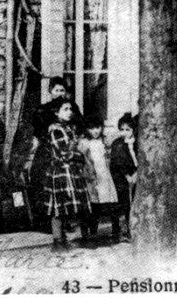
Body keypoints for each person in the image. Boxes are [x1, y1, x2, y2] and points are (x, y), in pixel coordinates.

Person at [29, 77, 83, 228]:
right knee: (41, 179)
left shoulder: (70, 107)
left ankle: (64, 221)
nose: (59, 93)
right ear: (50, 91)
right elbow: (37, 129)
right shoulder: (43, 109)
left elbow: (79, 124)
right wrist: (48, 128)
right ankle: (44, 221)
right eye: (56, 90)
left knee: (65, 186)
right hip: (47, 149)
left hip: (66, 147)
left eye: (62, 90)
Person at [44, 98, 93, 251]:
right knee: (59, 206)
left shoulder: (69, 129)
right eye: (65, 109)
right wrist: (78, 155)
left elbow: (73, 149)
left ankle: (77, 237)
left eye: (70, 109)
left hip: (72, 171)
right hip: (61, 172)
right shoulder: (55, 130)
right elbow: (65, 154)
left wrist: (76, 153)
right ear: (56, 112)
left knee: (75, 205)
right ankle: (58, 240)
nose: (70, 112)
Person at [78, 116, 121, 244]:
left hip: (105, 176)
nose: (95, 131)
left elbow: (108, 158)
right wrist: (88, 174)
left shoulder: (104, 141)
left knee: (111, 203)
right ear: (86, 129)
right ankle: (91, 232)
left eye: (98, 127)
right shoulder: (84, 143)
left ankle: (115, 230)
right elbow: (82, 161)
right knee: (93, 204)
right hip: (92, 178)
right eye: (92, 128)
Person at [109, 112, 138, 241]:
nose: (125, 132)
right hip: (120, 177)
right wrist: (127, 175)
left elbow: (142, 159)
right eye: (122, 129)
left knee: (134, 203)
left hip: (136, 175)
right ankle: (118, 230)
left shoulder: (138, 143)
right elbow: (118, 162)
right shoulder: (118, 144)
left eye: (128, 129)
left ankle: (132, 229)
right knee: (122, 203)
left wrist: (136, 174)